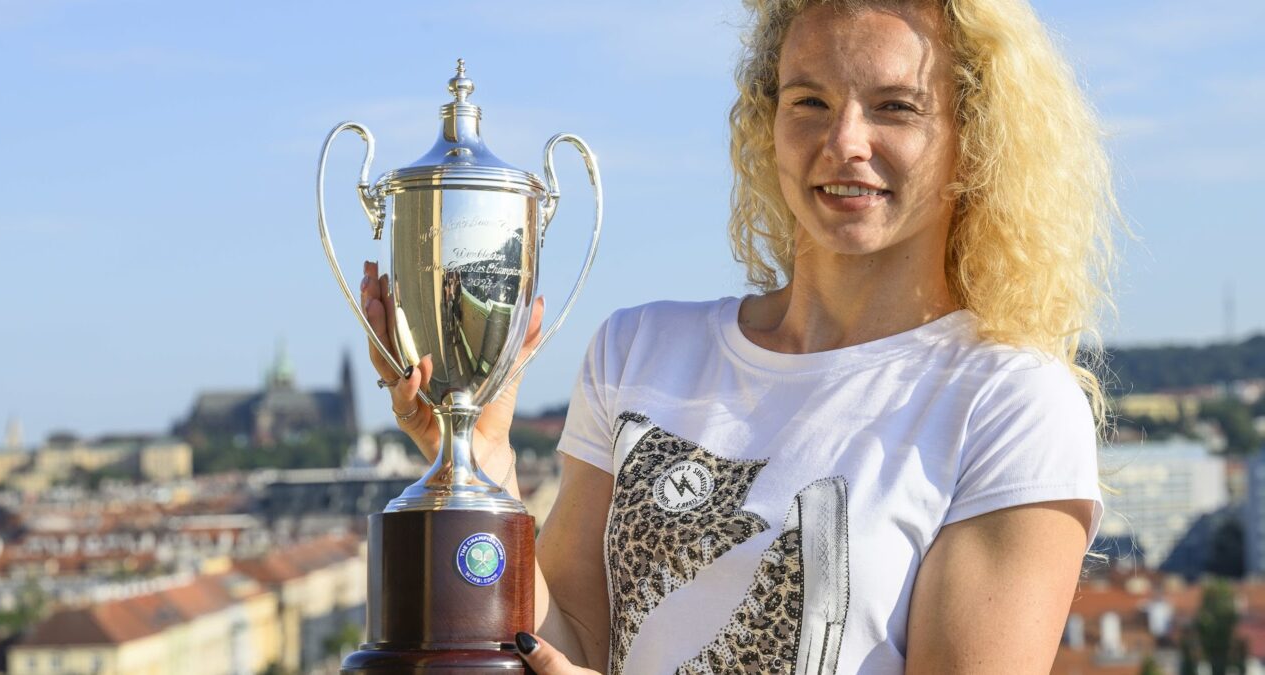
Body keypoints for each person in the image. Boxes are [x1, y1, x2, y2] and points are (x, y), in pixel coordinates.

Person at [362, 0, 1118, 671]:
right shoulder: (639, 350)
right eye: (810, 100)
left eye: (895, 107)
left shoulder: (1010, 405)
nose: (845, 140)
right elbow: (575, 642)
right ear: (767, 122)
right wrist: (478, 463)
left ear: (972, 137)